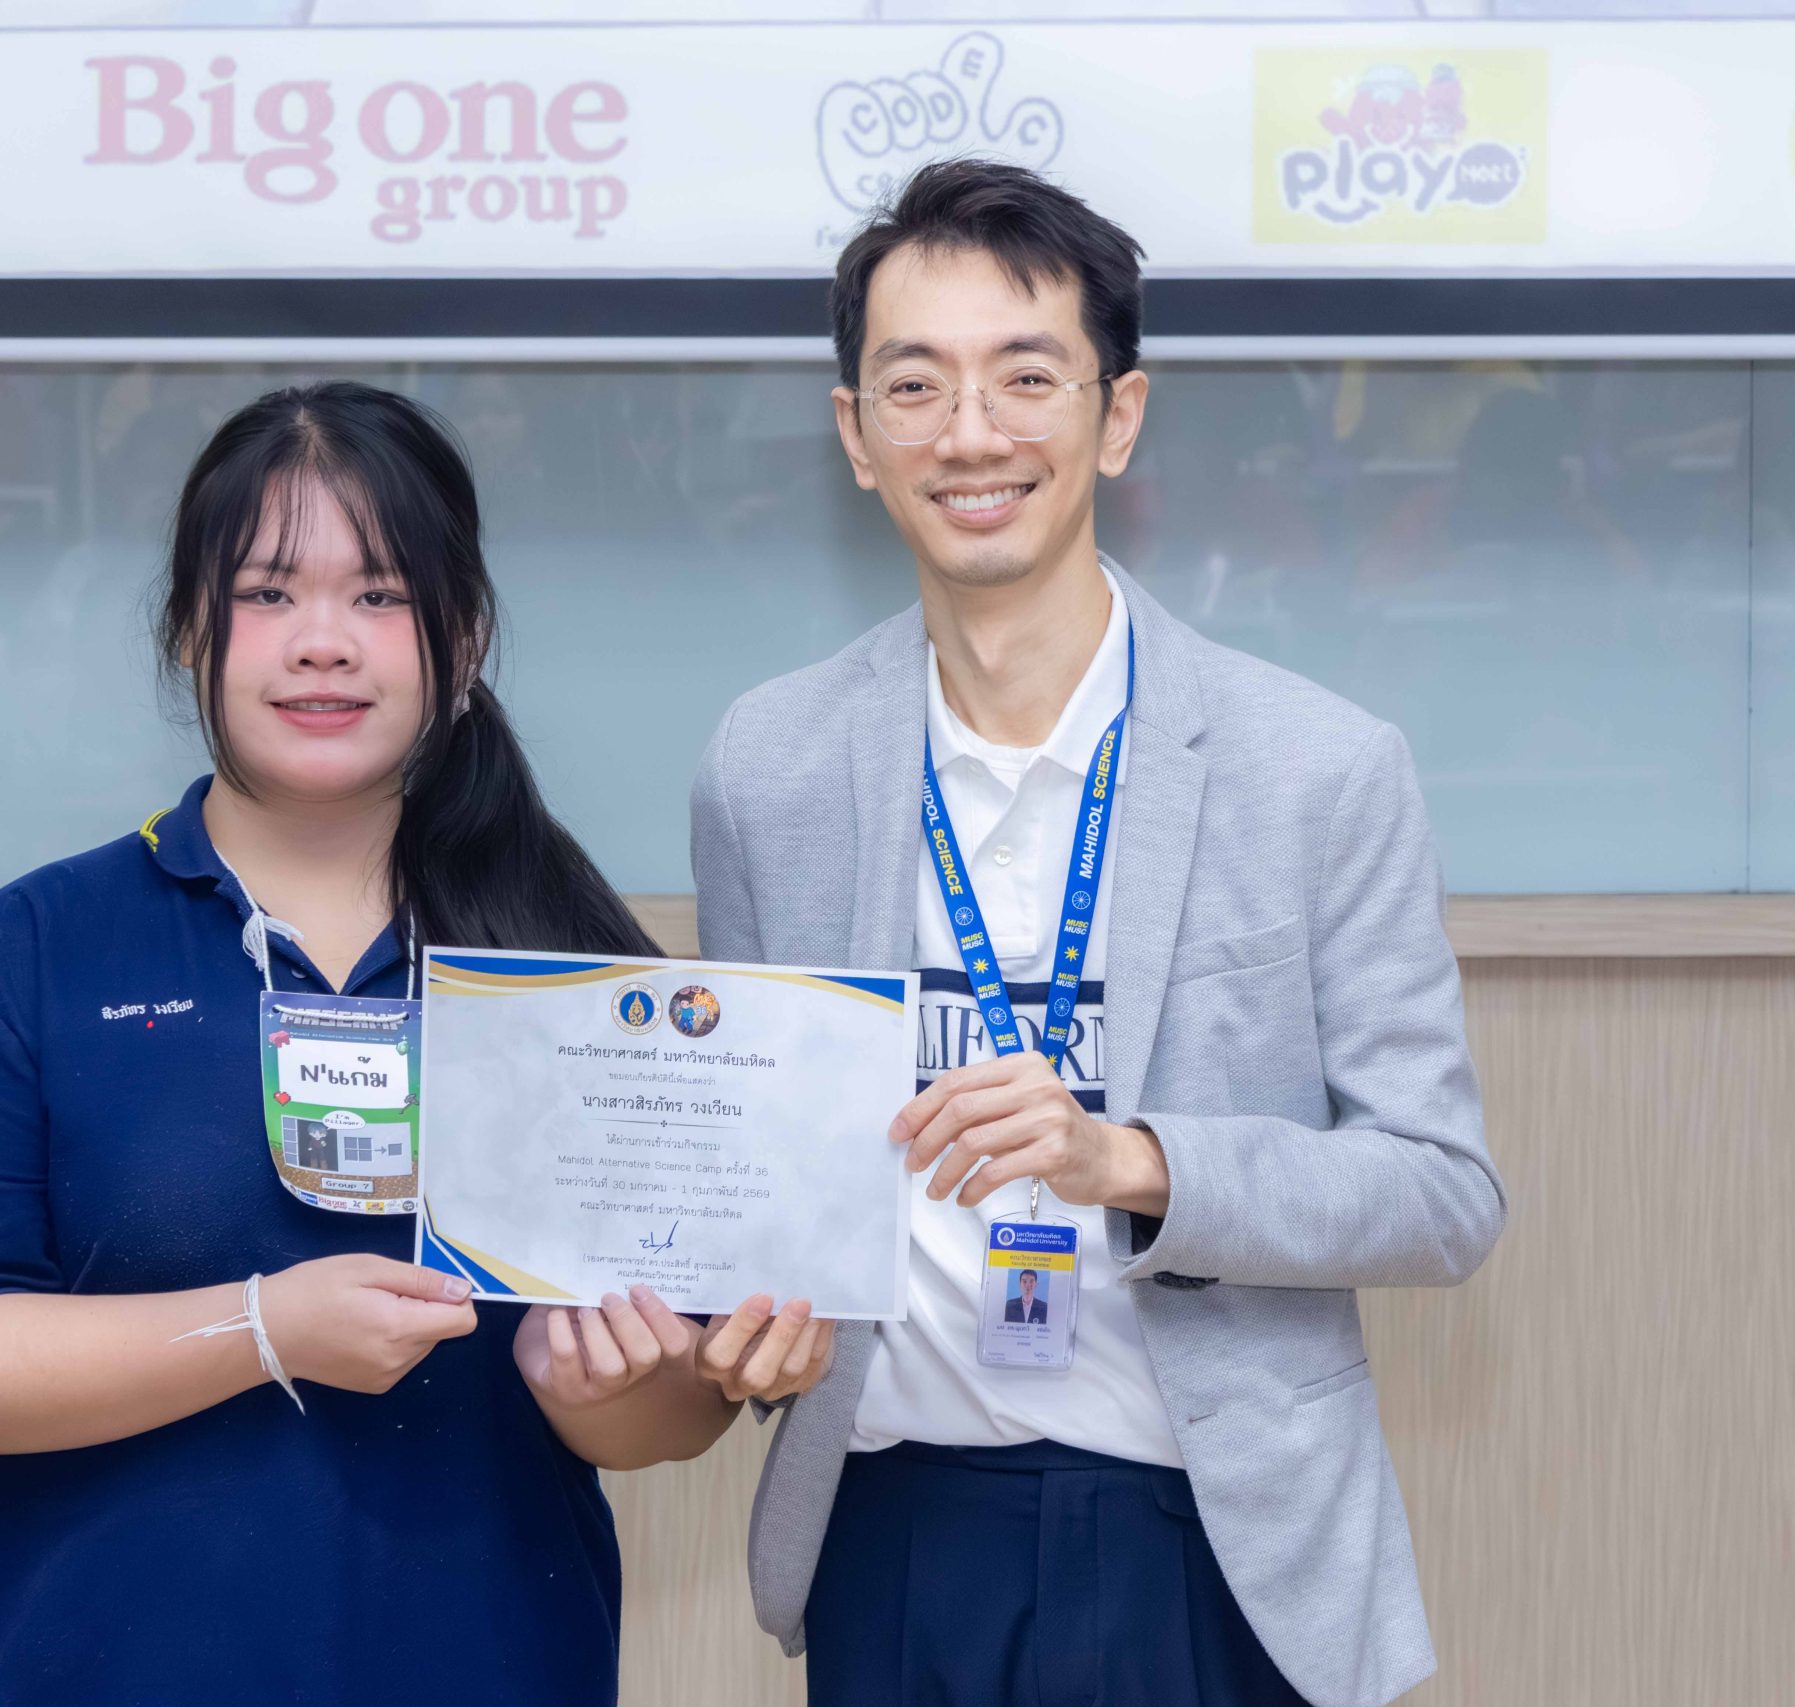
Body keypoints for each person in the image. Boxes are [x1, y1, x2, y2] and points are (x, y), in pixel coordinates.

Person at [0, 381, 814, 1707]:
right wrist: (261, 1327)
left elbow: (675, 1418)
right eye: (267, 593)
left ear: (463, 637)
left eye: (379, 595)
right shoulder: (36, 951)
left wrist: (600, 1389)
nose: (322, 644)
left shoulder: (575, 975)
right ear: (190, 627)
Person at [690, 162, 1506, 1706]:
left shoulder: (1317, 768)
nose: (970, 433)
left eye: (1026, 377)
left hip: (1211, 1540)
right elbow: (763, 1172)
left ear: (1117, 416)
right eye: (914, 385)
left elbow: (1441, 1194)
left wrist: (1129, 1160)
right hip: (895, 1530)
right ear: (856, 435)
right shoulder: (768, 768)